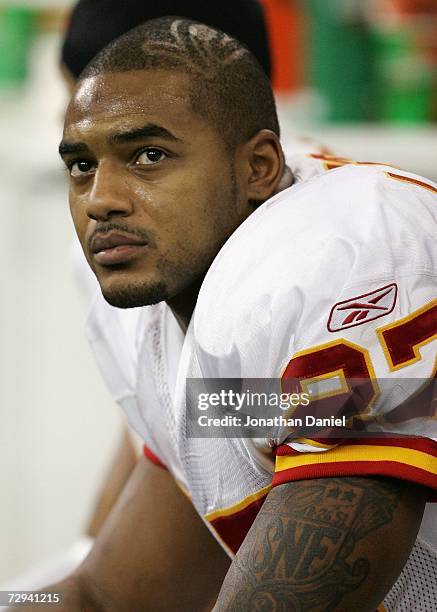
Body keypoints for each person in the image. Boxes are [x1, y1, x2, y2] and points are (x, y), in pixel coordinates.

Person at [49, 17, 436, 611]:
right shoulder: (172, 318)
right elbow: (104, 597)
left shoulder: (324, 257)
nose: (100, 199)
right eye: (81, 166)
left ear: (258, 167)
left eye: (148, 155)